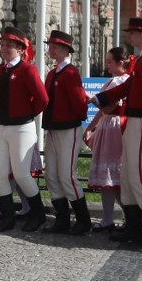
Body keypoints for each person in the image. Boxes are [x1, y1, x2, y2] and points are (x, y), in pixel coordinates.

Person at [88, 17, 142, 247]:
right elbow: (127, 88)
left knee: (136, 177)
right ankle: (133, 228)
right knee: (127, 177)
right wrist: (100, 98)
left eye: (133, 33)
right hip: (134, 120)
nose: (129, 36)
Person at [0, 26, 48, 233]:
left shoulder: (27, 70)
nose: (4, 48)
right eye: (3, 44)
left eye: (9, 46)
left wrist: (27, 113)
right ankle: (7, 215)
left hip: (22, 127)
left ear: (21, 50)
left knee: (22, 174)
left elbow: (42, 99)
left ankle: (38, 214)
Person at [41, 30, 91, 235]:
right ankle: (62, 218)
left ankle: (83, 220)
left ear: (64, 49)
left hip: (68, 128)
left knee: (66, 175)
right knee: (51, 174)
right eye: (50, 45)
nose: (50, 49)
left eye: (54, 46)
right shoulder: (53, 73)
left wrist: (75, 118)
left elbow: (79, 103)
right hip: (54, 128)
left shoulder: (70, 72)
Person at [83, 47, 130, 232]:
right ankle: (120, 217)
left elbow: (108, 107)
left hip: (113, 126)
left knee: (111, 177)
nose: (106, 64)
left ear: (120, 63)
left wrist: (91, 98)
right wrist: (90, 127)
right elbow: (103, 109)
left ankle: (111, 218)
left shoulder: (119, 81)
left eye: (110, 61)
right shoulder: (121, 80)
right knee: (114, 178)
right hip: (114, 125)